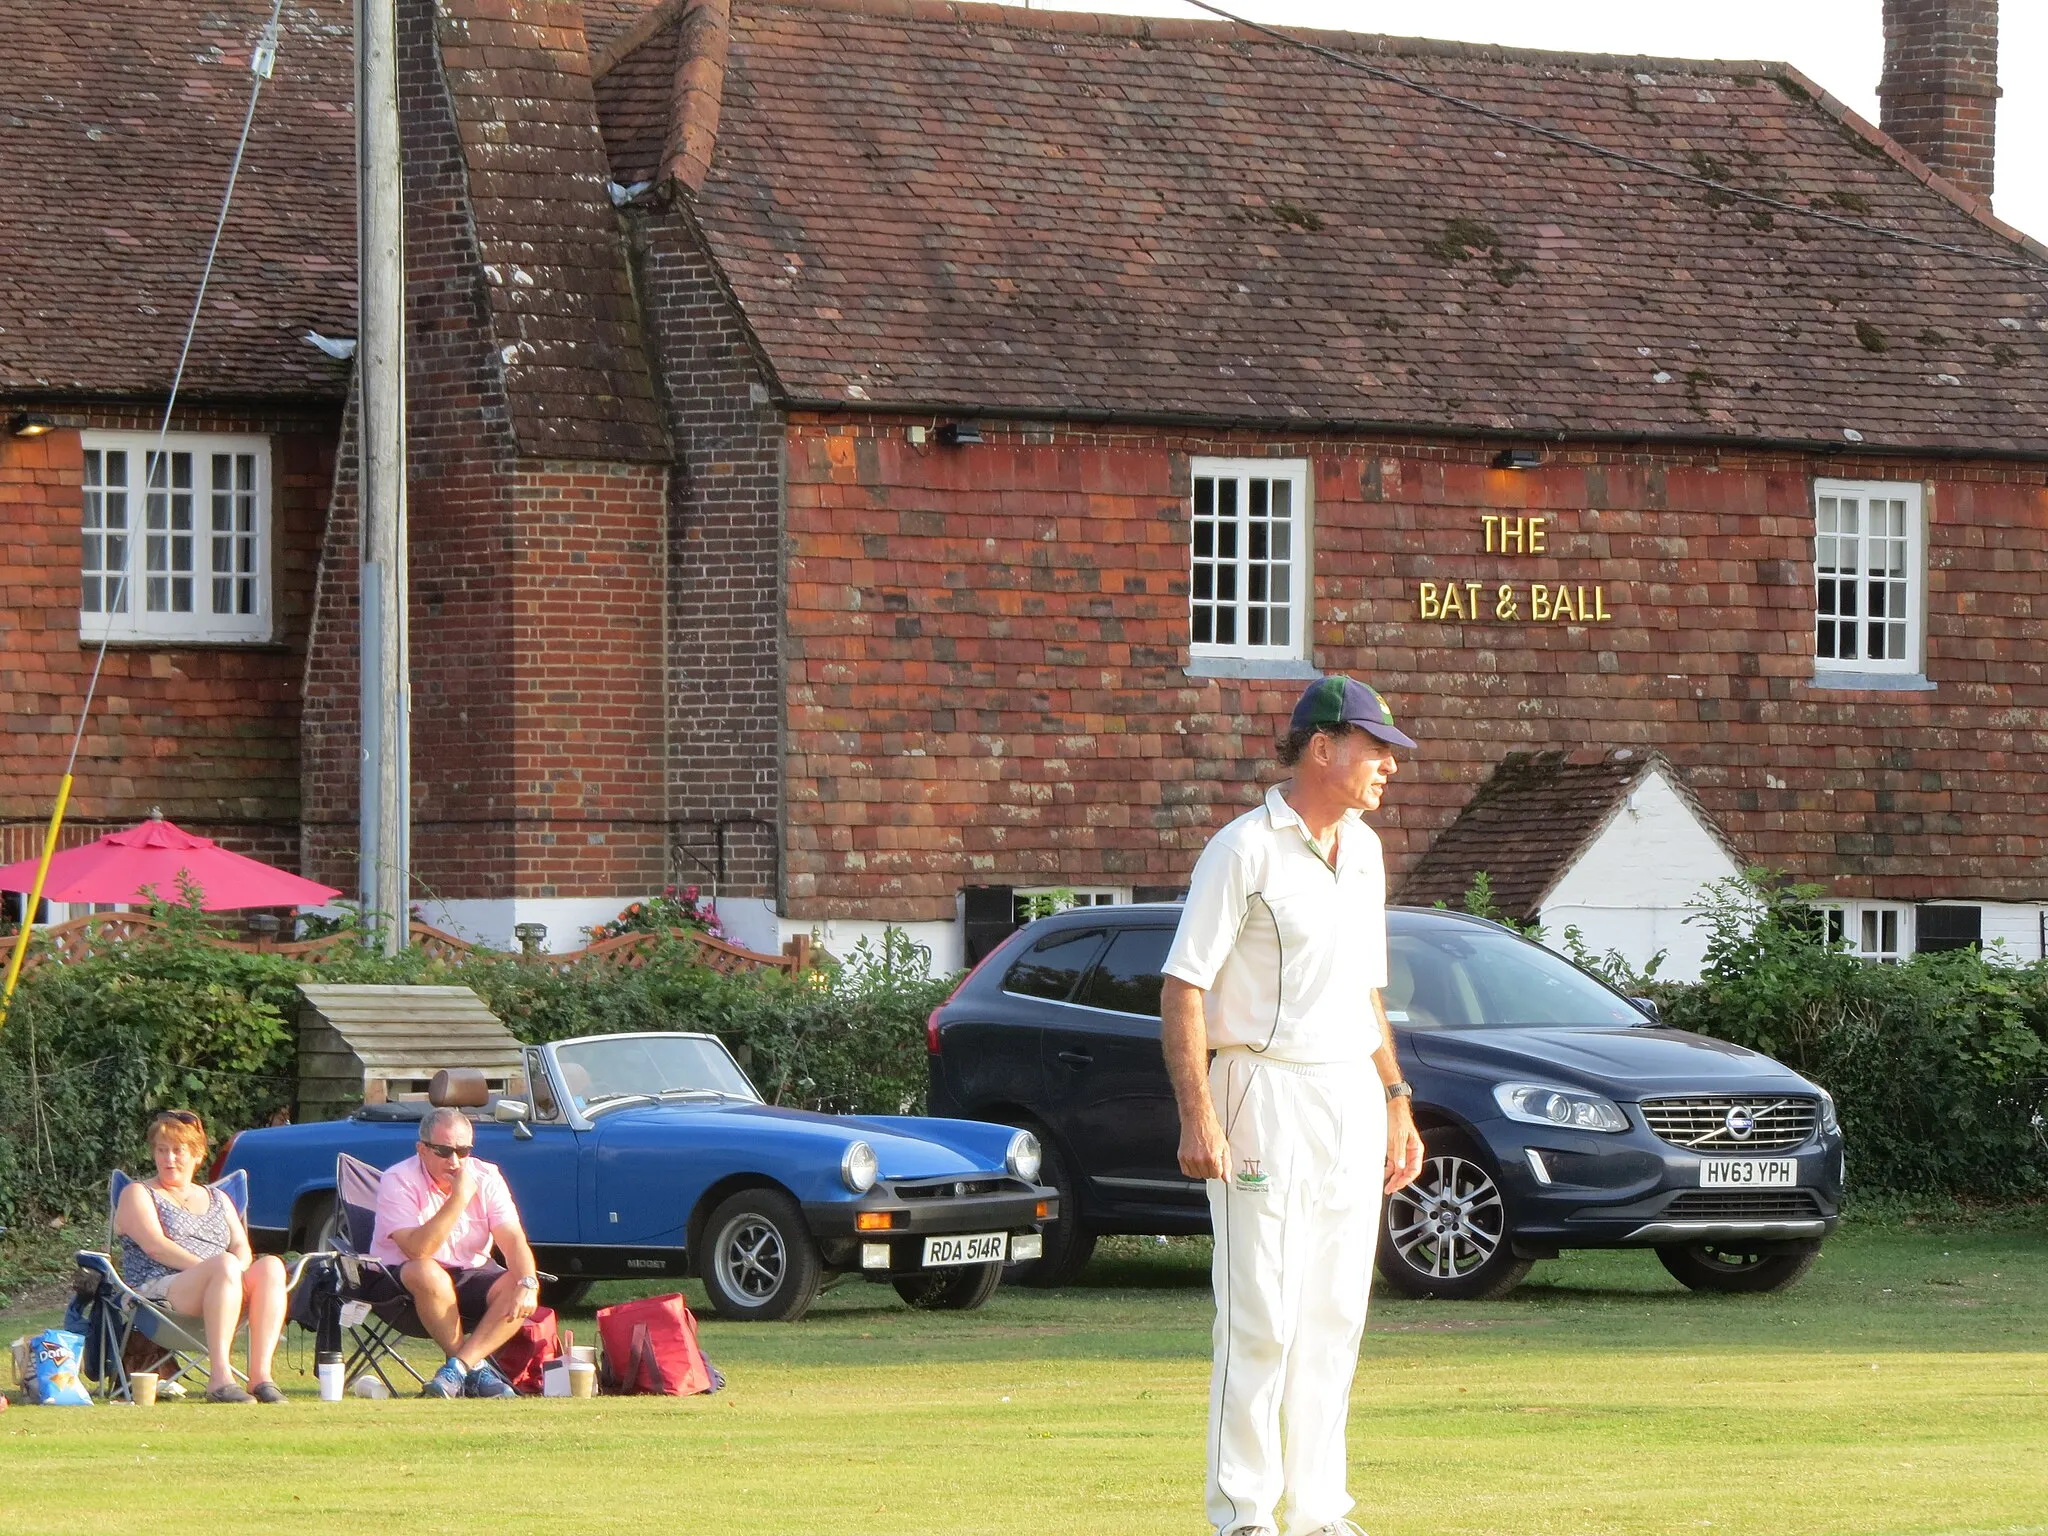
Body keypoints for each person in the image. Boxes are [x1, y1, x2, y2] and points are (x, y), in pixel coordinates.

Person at [1160, 675, 1428, 1536]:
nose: (1388, 765)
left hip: (1348, 1090)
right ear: (1323, 748)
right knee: (1262, 1317)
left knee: (1335, 1314)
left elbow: (1367, 993)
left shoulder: (1368, 853)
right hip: (1260, 1090)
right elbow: (1183, 986)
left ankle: (1320, 1513)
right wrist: (1199, 1116)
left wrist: (1396, 1100)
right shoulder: (1244, 850)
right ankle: (1244, 1514)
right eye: (1375, 748)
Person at [115, 1108, 289, 1404]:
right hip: (158, 1293)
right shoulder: (138, 1193)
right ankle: (220, 1378)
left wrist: (236, 1272)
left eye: (178, 1151)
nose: (169, 1159)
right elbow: (156, 1246)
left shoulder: (219, 1198)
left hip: (223, 1288)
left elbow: (241, 1247)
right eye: (162, 1150)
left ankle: (261, 1378)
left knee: (271, 1265)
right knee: (223, 1265)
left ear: (197, 1155)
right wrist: (217, 1270)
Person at [368, 1105, 539, 1398]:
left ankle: (458, 1369)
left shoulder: (487, 1176)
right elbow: (418, 1250)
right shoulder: (398, 1179)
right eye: (444, 1151)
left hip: (469, 1275)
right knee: (427, 1271)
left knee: (518, 1281)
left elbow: (512, 1238)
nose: (456, 1161)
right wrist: (458, 1197)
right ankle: (478, 1373)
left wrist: (528, 1283)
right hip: (402, 1286)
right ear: (422, 1149)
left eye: (464, 1151)